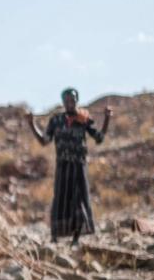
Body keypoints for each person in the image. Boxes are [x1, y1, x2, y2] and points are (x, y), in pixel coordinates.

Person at [26, 88, 112, 246]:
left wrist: (107, 119)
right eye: (66, 101)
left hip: (79, 165)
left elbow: (98, 138)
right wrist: (31, 124)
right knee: (60, 198)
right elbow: (44, 141)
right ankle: (54, 236)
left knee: (78, 200)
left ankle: (76, 238)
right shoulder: (56, 121)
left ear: (77, 101)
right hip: (62, 166)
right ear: (63, 102)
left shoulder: (83, 119)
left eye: (72, 100)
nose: (69, 103)